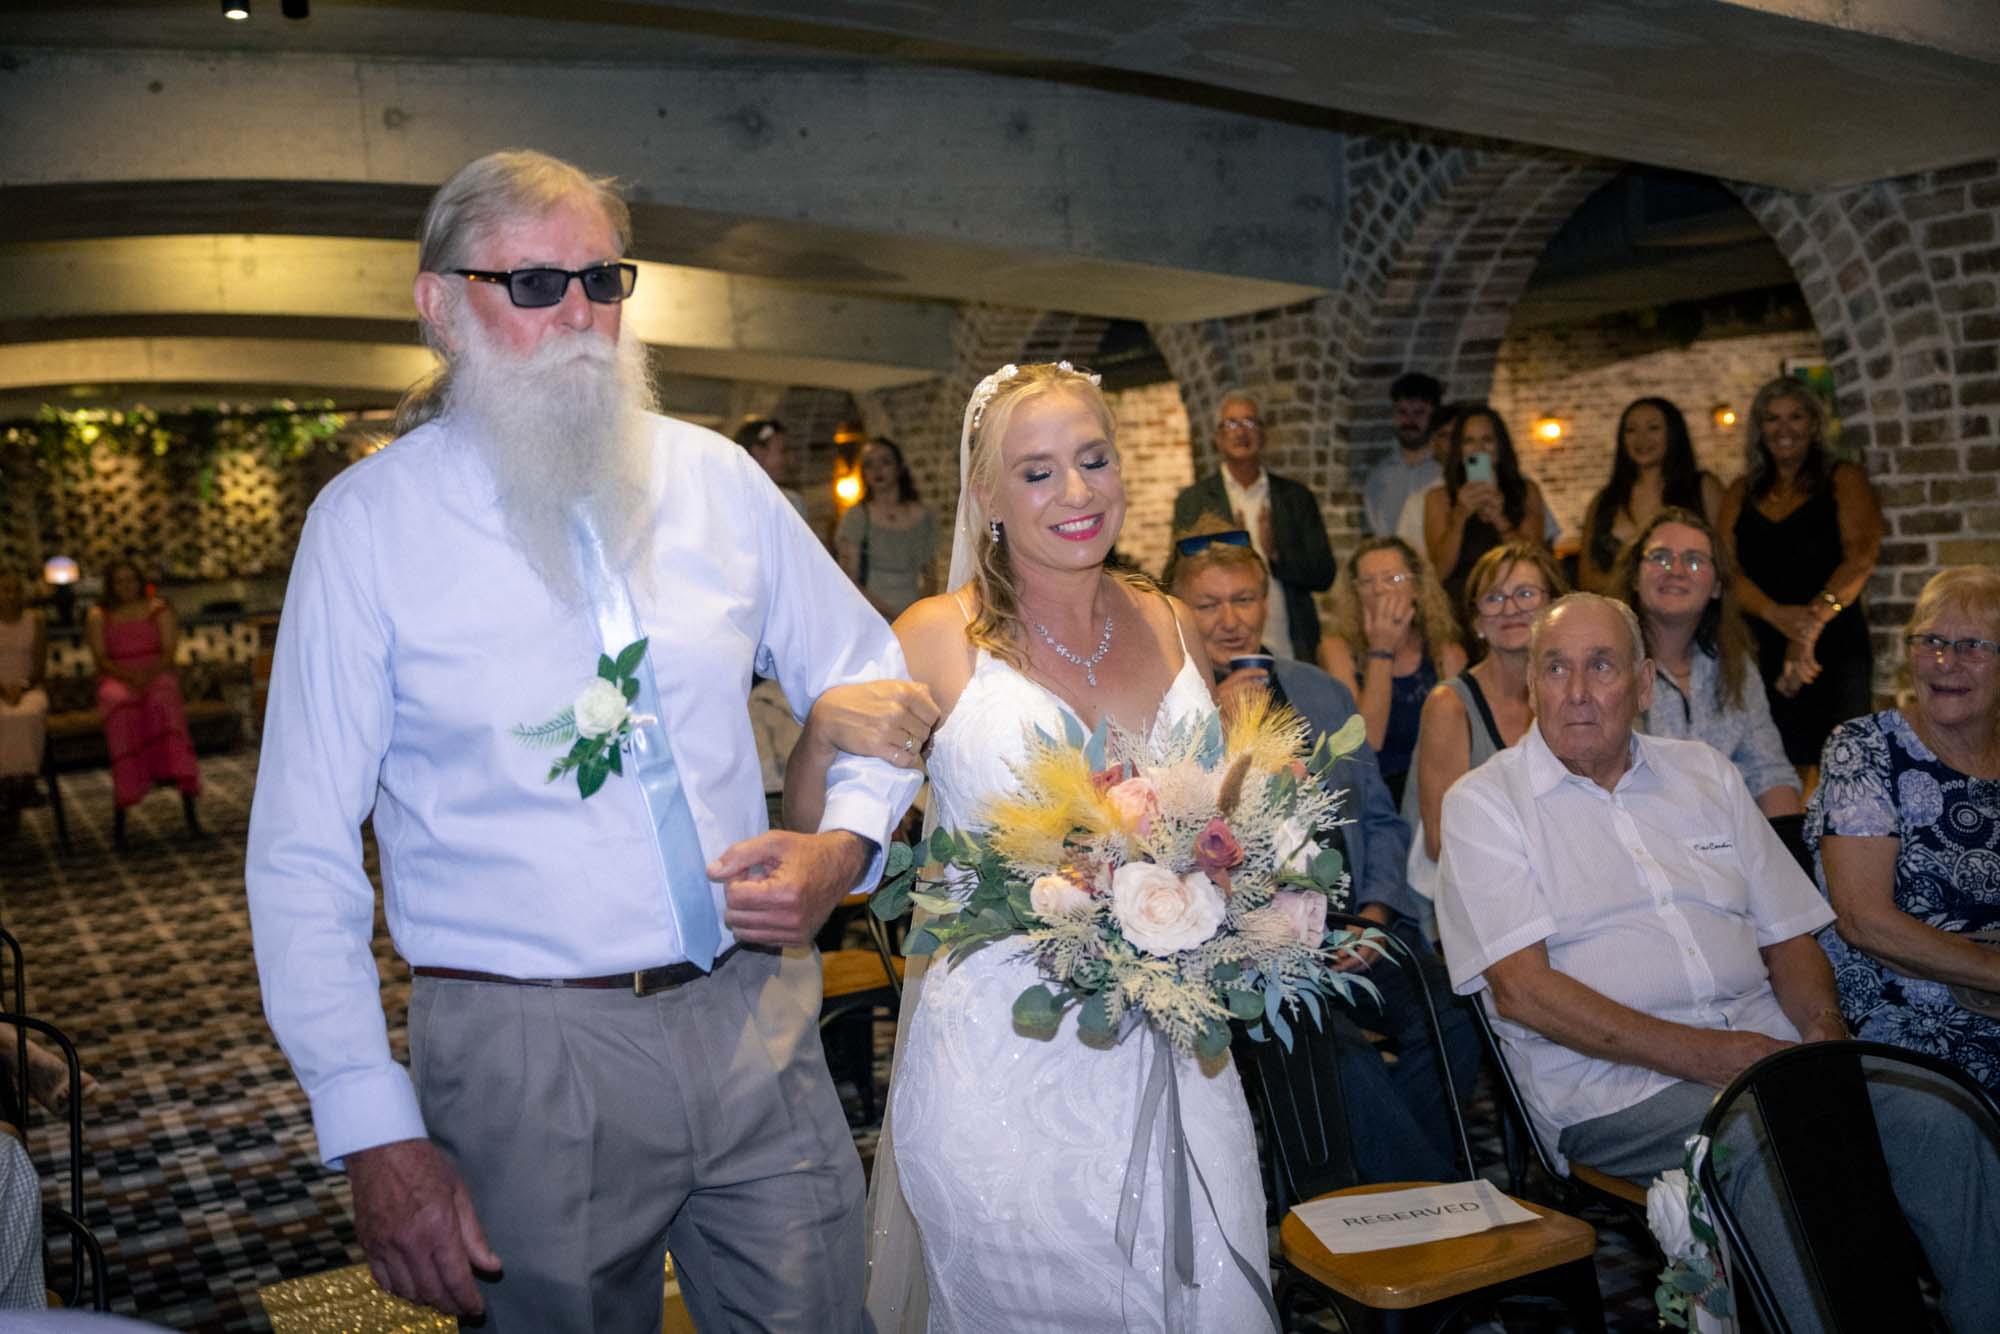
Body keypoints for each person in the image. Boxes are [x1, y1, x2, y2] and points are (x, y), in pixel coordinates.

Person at [245, 150, 923, 1332]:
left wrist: (842, 849)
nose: (579, 314)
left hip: (753, 1010)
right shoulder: (367, 529)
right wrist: (372, 1125)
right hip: (524, 1054)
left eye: (603, 279)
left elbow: (873, 678)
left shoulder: (713, 480)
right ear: (439, 304)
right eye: (535, 284)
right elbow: (301, 851)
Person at [1435, 592, 2000, 1334]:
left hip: (1776, 1057)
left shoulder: (1703, 773)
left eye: (1601, 666)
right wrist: (1717, 1058)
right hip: (1616, 1091)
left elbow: (1789, 936)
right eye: (1555, 669)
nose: (1576, 692)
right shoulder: (1486, 803)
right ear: (1531, 685)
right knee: (1767, 1141)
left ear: (1643, 683)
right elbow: (1525, 993)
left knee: (1944, 1119)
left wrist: (1823, 1034)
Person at [851, 362, 1272, 1330]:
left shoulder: (1169, 619)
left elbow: (1218, 815)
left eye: (1093, 459)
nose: (1076, 492)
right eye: (1037, 472)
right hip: (1003, 1061)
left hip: (1179, 1054)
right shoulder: (934, 638)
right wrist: (824, 733)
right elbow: (843, 834)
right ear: (986, 495)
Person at [1170, 525, 1480, 1181]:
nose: (1230, 620)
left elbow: (1380, 819)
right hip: (1252, 947)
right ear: (1180, 612)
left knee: (1455, 1015)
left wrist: (1376, 914)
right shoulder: (1173, 710)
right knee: (1338, 1053)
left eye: (1244, 599)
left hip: (1352, 923)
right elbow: (1173, 840)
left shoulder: (1321, 691)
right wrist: (1216, 725)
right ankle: (1427, 1204)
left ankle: (1395, 1188)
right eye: (1208, 604)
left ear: (1266, 602)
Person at [1810, 566, 2000, 1091]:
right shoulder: (1865, 748)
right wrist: (1992, 970)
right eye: (1931, 641)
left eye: (1972, 646)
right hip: (1907, 1017)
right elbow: (1864, 921)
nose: (1946, 662)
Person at [1721, 378, 1884, 786]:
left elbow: (1861, 557)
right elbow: (1725, 569)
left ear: (1814, 423)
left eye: (1795, 417)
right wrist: (1777, 615)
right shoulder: (1740, 491)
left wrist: (1809, 629)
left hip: (1834, 641)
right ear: (1759, 428)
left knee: (1846, 766)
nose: (1784, 429)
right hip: (1761, 641)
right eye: (1772, 419)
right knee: (1772, 767)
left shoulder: (1843, 478)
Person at [1402, 544, 1563, 913]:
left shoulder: (1571, 695)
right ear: (1476, 622)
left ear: (1554, 608)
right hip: (1473, 903)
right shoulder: (1450, 705)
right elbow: (1440, 842)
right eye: (1494, 598)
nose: (1510, 609)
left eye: (1526, 594)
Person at [1613, 508, 1801, 816]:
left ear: (1717, 586)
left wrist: (1788, 842)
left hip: (1730, 835)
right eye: (1660, 557)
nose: (1676, 570)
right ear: (1635, 576)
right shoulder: (1605, 667)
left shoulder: (1734, 666)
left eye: (1694, 560)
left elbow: (1768, 772)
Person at [1172, 390, 1335, 663]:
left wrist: (1276, 555)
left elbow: (1324, 574)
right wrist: (1227, 549)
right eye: (1231, 424)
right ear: (1218, 437)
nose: (1241, 432)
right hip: (1222, 639)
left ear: (1263, 433)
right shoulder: (1195, 501)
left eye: (1249, 422)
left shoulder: (1296, 497)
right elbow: (1178, 576)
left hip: (1291, 638)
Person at [1318, 536, 1467, 807]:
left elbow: (1460, 750)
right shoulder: (1336, 650)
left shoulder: (1445, 654)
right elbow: (1367, 743)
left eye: (1392, 579)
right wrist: (1381, 650)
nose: (1379, 590)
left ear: (1417, 588)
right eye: (1367, 581)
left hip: (1434, 796)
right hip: (1369, 796)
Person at [85, 558, 200, 844]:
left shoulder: (159, 609)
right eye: (119, 582)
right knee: (120, 705)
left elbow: (169, 650)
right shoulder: (98, 615)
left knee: (163, 700)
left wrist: (148, 674)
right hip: (118, 676)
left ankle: (176, 773)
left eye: (131, 580)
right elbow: (100, 658)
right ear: (111, 586)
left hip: (156, 672)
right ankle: (128, 786)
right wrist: (128, 676)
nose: (126, 586)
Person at [1576, 397, 1723, 594]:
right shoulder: (1604, 499)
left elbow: (1723, 561)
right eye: (1631, 430)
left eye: (1653, 428)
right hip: (1616, 608)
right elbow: (1585, 577)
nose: (1641, 439)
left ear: (1673, 434)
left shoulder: (1703, 487)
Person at [1424, 406, 1550, 613]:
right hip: (1463, 604)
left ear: (1500, 447)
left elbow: (1537, 560)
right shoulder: (1438, 498)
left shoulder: (1526, 491)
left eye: (1487, 440)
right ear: (1459, 450)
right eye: (1469, 441)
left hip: (1518, 600)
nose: (1478, 449)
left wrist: (1500, 520)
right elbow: (1440, 571)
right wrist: (1459, 516)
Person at [835, 436, 936, 619]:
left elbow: (930, 575)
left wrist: (919, 614)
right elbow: (850, 580)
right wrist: (893, 614)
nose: (877, 470)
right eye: (869, 464)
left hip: (913, 612)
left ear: (899, 467)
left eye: (885, 462)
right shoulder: (857, 517)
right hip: (872, 614)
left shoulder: (920, 515)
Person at [1362, 371, 1443, 536]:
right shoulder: (1379, 477)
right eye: (1402, 412)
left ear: (1434, 416)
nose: (1409, 421)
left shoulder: (1445, 472)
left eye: (1419, 413)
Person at [0, 570, 48, 818]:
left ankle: (25, 781)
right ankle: (6, 784)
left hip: (29, 687)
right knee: (4, 716)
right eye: (5, 590)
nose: (11, 595)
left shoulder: (35, 620)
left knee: (27, 713)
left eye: (16, 590)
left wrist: (22, 686)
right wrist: (4, 690)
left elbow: (39, 666)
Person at [734, 415, 807, 520]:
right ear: (759, 452)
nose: (792, 459)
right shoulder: (789, 503)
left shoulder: (724, 498)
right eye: (784, 451)